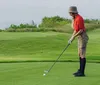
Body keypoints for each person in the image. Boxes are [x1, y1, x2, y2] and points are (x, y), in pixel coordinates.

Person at [68, 6, 89, 77]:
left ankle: (82, 72)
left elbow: (81, 30)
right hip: (79, 37)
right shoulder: (75, 18)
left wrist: (73, 37)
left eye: (70, 13)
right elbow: (75, 30)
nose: (69, 14)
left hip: (83, 37)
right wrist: (71, 38)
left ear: (73, 12)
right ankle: (80, 70)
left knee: (82, 54)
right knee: (79, 53)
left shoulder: (79, 18)